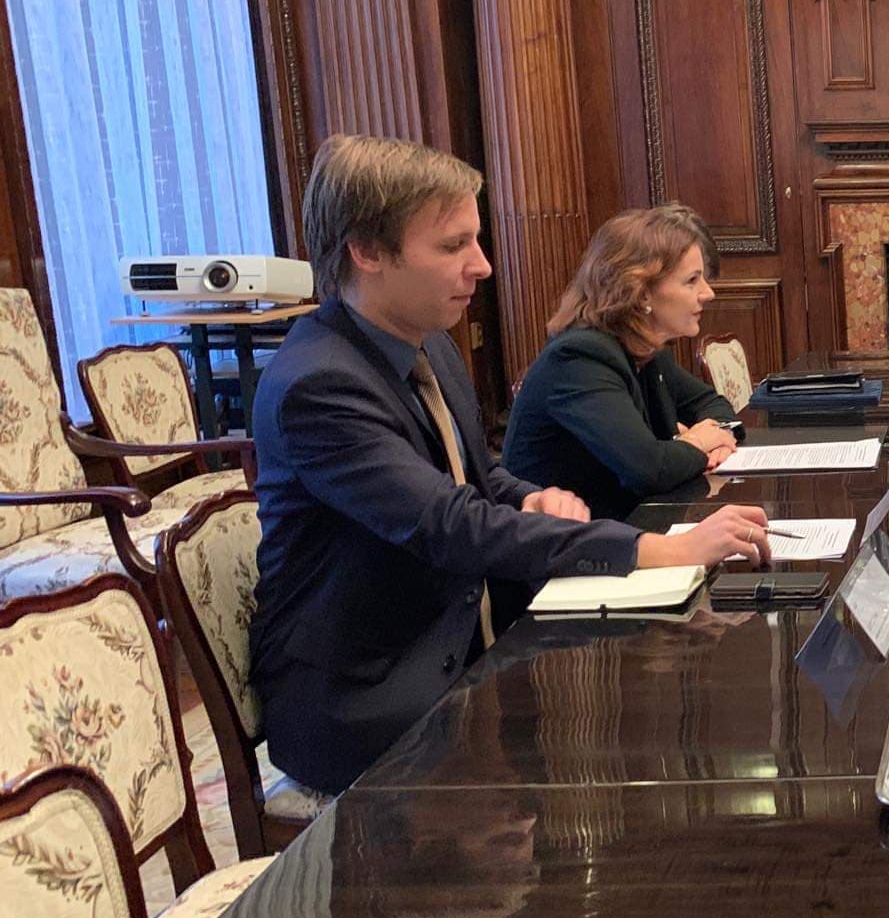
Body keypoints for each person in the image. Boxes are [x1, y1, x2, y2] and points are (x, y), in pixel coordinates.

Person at [251, 135, 771, 796]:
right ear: (368, 251)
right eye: (453, 246)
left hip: (464, 641)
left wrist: (526, 497)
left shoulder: (430, 346)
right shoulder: (319, 384)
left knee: (662, 710)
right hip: (375, 694)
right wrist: (660, 550)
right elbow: (449, 524)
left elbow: (475, 476)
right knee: (626, 757)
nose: (483, 265)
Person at [503, 205, 741, 519]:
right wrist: (698, 441)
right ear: (641, 293)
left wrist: (717, 441)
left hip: (622, 525)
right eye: (691, 281)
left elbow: (712, 403)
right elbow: (649, 469)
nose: (707, 293)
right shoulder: (580, 359)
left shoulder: (646, 348)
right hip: (563, 539)